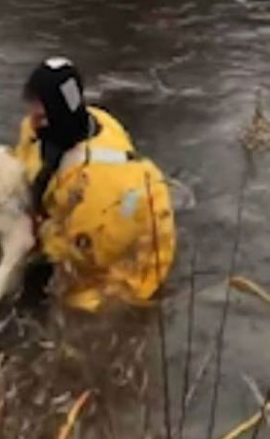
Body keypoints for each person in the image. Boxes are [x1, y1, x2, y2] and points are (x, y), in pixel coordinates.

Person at [15, 57, 176, 312]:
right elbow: (21, 165)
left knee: (83, 305)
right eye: (31, 104)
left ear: (54, 114)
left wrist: (42, 241)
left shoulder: (94, 181)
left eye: (40, 110)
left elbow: (90, 255)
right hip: (90, 206)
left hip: (121, 237)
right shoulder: (49, 128)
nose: (31, 116)